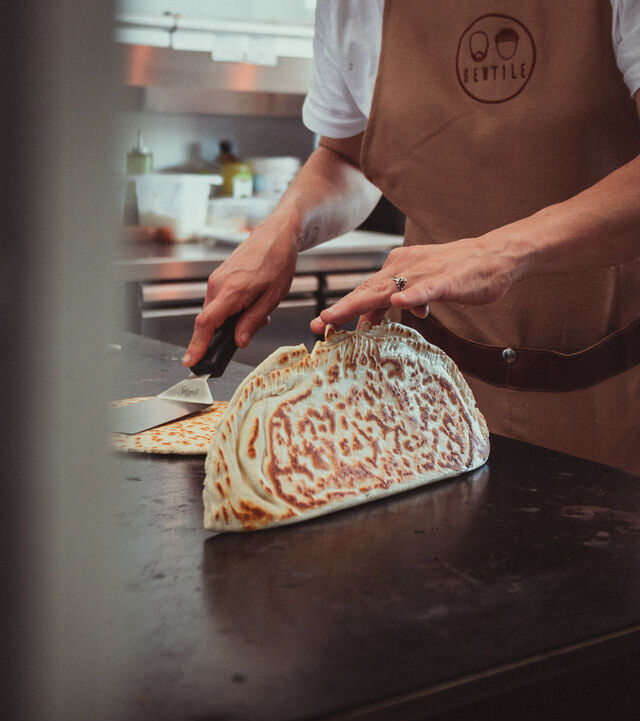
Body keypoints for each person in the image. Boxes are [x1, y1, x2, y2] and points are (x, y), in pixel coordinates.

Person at [184, 0, 640, 474]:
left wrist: (495, 253)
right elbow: (348, 158)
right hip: (421, 395)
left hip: (610, 387)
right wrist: (283, 229)